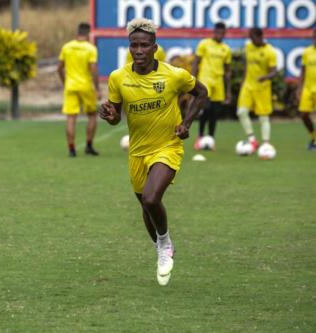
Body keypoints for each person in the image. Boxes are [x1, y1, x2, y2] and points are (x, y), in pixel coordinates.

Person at [98, 18, 208, 286]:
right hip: (137, 152)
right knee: (146, 208)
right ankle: (162, 245)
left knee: (150, 198)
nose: (138, 50)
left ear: (154, 47)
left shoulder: (174, 75)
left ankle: (164, 244)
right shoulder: (118, 78)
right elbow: (115, 117)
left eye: (144, 45)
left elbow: (202, 92)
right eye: (134, 45)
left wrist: (187, 123)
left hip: (167, 146)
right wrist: (110, 115)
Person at [57, 22, 101, 157]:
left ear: (77, 32)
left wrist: (65, 82)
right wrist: (97, 88)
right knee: (92, 115)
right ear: (88, 34)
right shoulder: (90, 49)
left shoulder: (66, 47)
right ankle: (89, 145)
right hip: (86, 86)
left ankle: (71, 149)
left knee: (71, 118)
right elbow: (93, 69)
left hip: (70, 86)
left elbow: (59, 68)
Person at [191, 22, 232, 150]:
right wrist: (192, 81)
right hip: (205, 80)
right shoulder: (204, 44)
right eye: (218, 32)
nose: (220, 35)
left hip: (218, 82)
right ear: (214, 32)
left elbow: (228, 71)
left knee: (214, 112)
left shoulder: (226, 49)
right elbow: (196, 62)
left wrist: (228, 90)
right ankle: (200, 137)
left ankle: (211, 139)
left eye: (223, 33)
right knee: (206, 108)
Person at [236, 27, 277, 151]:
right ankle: (252, 140)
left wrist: (265, 77)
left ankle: (265, 143)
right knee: (241, 112)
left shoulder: (270, 51)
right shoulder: (249, 47)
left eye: (252, 37)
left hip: (262, 88)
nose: (250, 39)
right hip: (248, 86)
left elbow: (274, 72)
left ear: (260, 37)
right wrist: (242, 82)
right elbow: (246, 66)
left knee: (263, 117)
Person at [296, 29, 316, 151]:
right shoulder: (307, 52)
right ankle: (314, 137)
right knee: (303, 114)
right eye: (314, 36)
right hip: (308, 89)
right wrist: (299, 88)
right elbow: (303, 71)